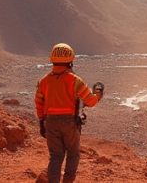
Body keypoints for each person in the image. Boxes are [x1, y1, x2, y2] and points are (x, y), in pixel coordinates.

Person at [34, 43, 105, 183]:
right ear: (70, 61)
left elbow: (38, 103)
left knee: (55, 156)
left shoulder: (43, 81)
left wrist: (42, 122)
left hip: (50, 123)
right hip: (70, 123)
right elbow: (90, 101)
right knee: (73, 154)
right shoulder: (75, 81)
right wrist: (98, 94)